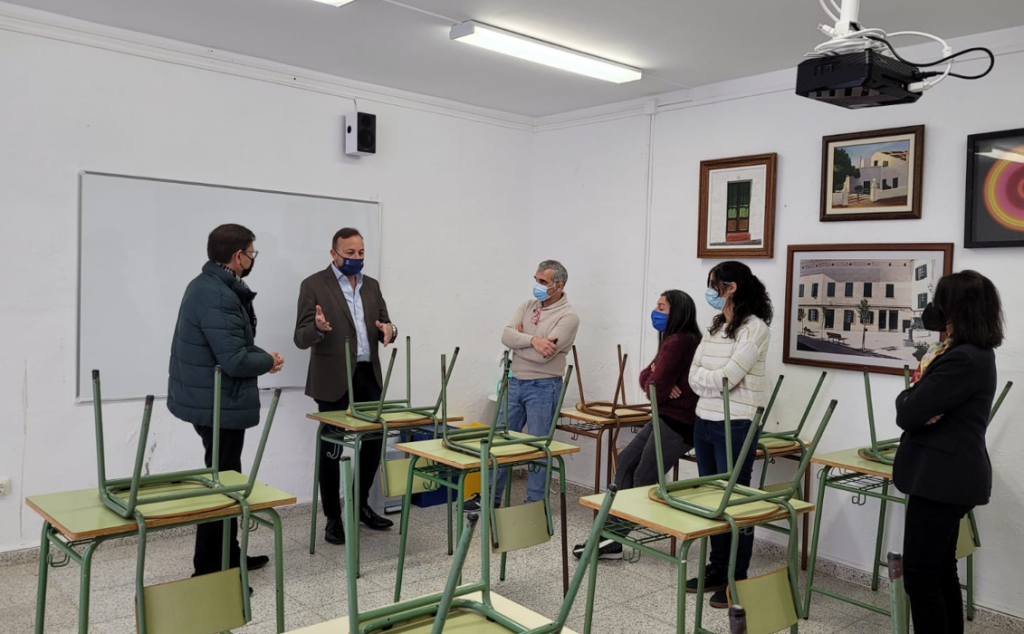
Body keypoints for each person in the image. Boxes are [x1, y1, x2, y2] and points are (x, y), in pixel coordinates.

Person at [168, 223, 284, 580]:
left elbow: (229, 345)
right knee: (221, 487)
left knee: (225, 480)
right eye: (252, 252)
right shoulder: (218, 294)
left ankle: (229, 557)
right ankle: (210, 572)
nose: (253, 259)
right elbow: (234, 360)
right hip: (218, 404)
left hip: (213, 399)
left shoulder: (210, 285)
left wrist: (260, 355)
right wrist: (269, 361)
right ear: (238, 256)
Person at [894, 270, 1003, 634]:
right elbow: (914, 406)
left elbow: (908, 413)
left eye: (942, 301)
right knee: (940, 571)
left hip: (942, 480)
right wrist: (915, 400)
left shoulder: (963, 359)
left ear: (958, 308)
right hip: (947, 476)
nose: (935, 309)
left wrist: (914, 403)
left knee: (920, 579)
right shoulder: (965, 353)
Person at [572, 290, 702, 560]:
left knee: (644, 476)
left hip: (678, 423)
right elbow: (649, 378)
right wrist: (657, 382)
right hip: (663, 415)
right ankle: (607, 535)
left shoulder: (679, 341)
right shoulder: (677, 340)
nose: (656, 311)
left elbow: (654, 385)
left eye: (661, 307)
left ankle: (613, 538)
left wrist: (657, 383)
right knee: (627, 460)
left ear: (676, 312)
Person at [294, 227, 397, 545]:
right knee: (331, 448)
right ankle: (333, 518)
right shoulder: (313, 285)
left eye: (361, 253)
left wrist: (389, 329)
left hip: (368, 375)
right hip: (333, 377)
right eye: (349, 253)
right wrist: (319, 328)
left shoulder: (372, 286)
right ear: (333, 253)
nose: (356, 258)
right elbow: (300, 337)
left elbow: (386, 323)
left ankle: (360, 504)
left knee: (374, 441)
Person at [686, 261, 772, 609]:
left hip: (736, 422)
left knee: (736, 503)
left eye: (713, 284)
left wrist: (710, 379)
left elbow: (728, 378)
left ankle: (737, 578)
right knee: (713, 501)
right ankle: (717, 569)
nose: (709, 290)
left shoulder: (756, 329)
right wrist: (710, 379)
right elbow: (694, 374)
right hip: (704, 420)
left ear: (731, 287)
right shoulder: (717, 325)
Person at [466, 260, 580, 511]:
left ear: (558, 286)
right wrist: (533, 340)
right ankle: (489, 498)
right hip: (514, 383)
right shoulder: (527, 306)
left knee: (538, 449)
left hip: (544, 387)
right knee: (500, 443)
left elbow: (543, 356)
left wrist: (520, 345)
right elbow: (506, 335)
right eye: (536, 280)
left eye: (543, 282)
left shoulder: (568, 316)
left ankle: (534, 504)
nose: (537, 286)